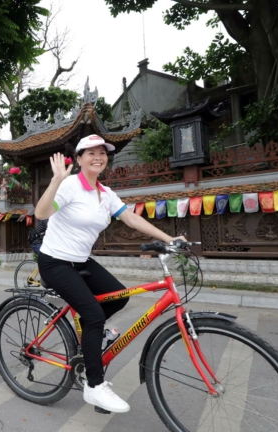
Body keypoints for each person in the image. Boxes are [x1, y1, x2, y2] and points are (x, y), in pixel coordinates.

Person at [35, 134, 186, 413]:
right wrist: (55, 180)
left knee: (119, 297)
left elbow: (130, 217)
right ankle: (94, 386)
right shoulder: (69, 185)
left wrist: (169, 239)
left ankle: (92, 338)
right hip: (55, 262)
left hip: (81, 261)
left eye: (102, 153)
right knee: (93, 315)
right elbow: (41, 213)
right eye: (90, 152)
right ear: (79, 159)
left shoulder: (105, 193)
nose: (98, 157)